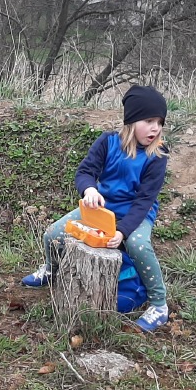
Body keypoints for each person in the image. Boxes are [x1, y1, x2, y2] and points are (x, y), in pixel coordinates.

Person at [22, 84, 171, 333]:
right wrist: (90, 190)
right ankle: (50, 269)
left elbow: (145, 200)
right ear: (131, 120)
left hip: (136, 212)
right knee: (53, 234)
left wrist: (122, 231)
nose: (155, 128)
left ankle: (159, 304)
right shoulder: (108, 142)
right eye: (149, 121)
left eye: (159, 122)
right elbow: (85, 171)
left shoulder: (158, 155)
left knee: (138, 245)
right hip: (101, 208)